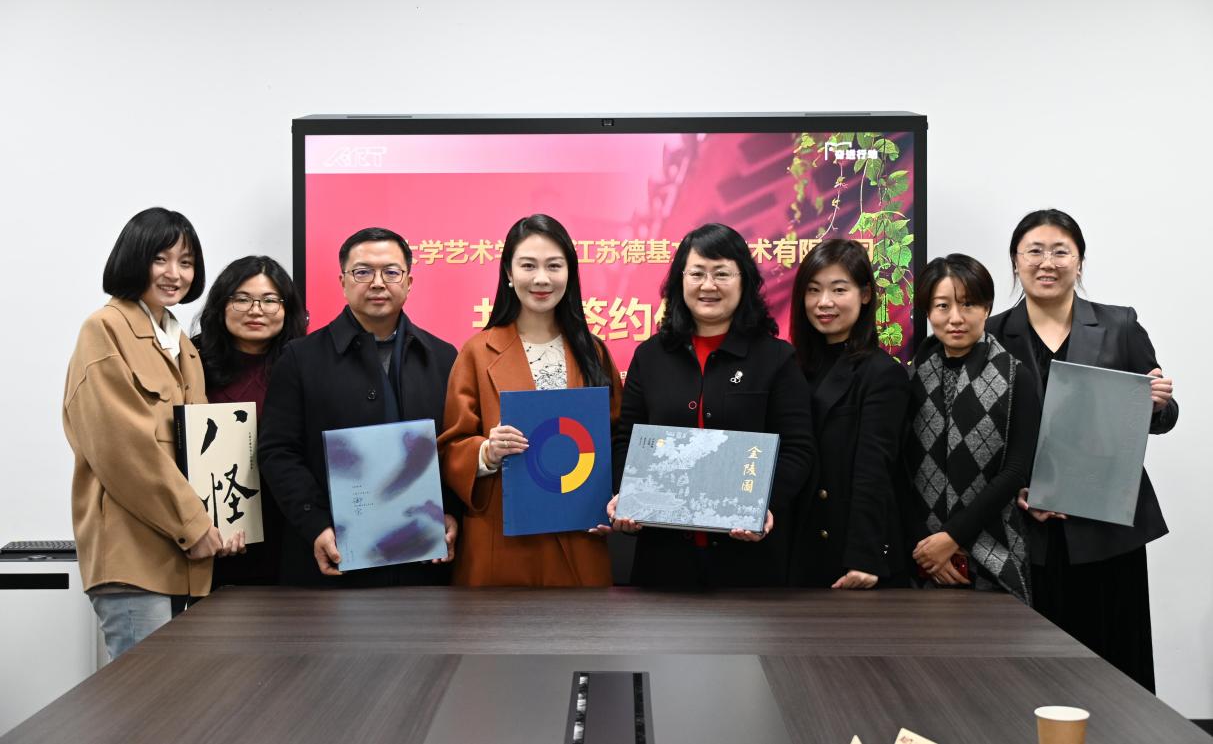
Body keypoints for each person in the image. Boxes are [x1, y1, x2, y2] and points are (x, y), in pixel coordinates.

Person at [987, 209, 1176, 692]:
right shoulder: (992, 333)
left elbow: (1162, 417)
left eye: (1060, 251)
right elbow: (984, 433)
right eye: (1034, 251)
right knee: (1033, 673)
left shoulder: (1120, 325)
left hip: (1106, 528)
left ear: (1079, 261)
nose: (1046, 262)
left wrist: (1158, 402)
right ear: (1015, 261)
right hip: (1026, 530)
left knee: (1115, 668)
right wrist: (1017, 490)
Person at [64, 207, 243, 660]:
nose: (174, 273)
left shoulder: (181, 343)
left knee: (177, 694)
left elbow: (201, 447)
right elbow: (124, 450)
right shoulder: (105, 329)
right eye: (160, 259)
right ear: (134, 259)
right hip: (134, 556)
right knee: (143, 696)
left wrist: (224, 524)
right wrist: (195, 525)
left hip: (184, 556)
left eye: (186, 262)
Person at [609, 223, 815, 588]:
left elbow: (797, 449)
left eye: (721, 273)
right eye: (697, 273)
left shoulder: (776, 358)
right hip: (664, 558)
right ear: (680, 280)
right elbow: (627, 439)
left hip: (749, 558)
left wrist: (763, 506)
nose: (708, 285)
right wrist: (630, 497)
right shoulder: (650, 356)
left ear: (744, 281)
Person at [259, 227, 458, 587]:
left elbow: (455, 447)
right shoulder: (300, 358)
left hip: (424, 560)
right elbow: (278, 452)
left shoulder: (443, 357)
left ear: (409, 282)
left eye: (391, 272)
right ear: (343, 282)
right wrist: (316, 524)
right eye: (363, 272)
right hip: (334, 556)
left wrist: (451, 513)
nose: (378, 283)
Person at [438, 214, 622, 586]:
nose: (541, 279)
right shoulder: (477, 352)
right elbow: (450, 447)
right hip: (504, 543)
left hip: (579, 537)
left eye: (554, 266)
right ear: (508, 272)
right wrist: (486, 452)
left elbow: (616, 438)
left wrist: (616, 498)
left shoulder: (594, 352)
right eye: (528, 266)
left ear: (570, 273)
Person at [902, 254, 1039, 604]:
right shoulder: (910, 377)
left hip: (995, 545)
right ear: (927, 311)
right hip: (921, 552)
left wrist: (951, 538)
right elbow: (900, 467)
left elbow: (1015, 471)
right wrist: (928, 549)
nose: (956, 318)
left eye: (968, 304)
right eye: (942, 306)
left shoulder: (1016, 376)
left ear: (987, 307)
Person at [787, 239, 909, 589]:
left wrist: (864, 557)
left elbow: (874, 471)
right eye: (813, 290)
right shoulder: (791, 367)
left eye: (839, 290)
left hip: (847, 555)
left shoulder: (882, 374)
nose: (824, 302)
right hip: (795, 546)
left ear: (865, 294)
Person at [193, 255, 307, 587]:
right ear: (221, 304)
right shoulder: (190, 360)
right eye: (242, 299)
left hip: (290, 528)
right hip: (212, 531)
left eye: (270, 300)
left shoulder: (306, 364)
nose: (256, 310)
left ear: (287, 309)